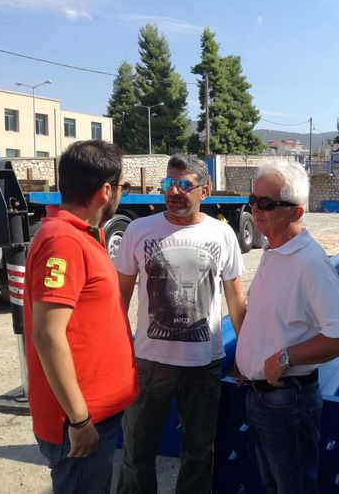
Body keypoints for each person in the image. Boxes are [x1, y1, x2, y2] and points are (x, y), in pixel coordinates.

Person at [115, 155, 246, 494]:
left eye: (184, 184)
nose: (174, 191)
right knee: (137, 450)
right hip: (149, 364)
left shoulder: (222, 233)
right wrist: (116, 350)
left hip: (203, 366)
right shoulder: (139, 230)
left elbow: (235, 296)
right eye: (168, 183)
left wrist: (246, 353)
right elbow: (120, 295)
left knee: (199, 453)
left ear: (205, 190)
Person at [235, 160, 339, 493]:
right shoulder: (273, 248)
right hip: (260, 395)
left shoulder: (310, 264)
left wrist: (285, 357)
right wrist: (247, 358)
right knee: (272, 483)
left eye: (266, 203)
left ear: (296, 212)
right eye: (253, 199)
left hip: (287, 402)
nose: (255, 209)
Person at [23, 140, 139, 493]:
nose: (121, 193)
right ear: (105, 191)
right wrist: (79, 419)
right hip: (81, 420)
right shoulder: (64, 242)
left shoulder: (82, 234)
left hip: (97, 413)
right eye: (121, 186)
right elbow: (47, 334)